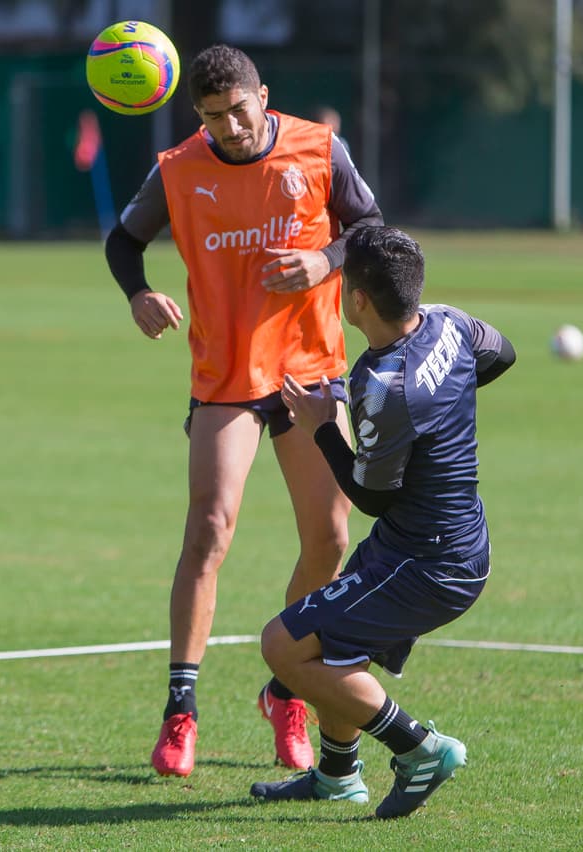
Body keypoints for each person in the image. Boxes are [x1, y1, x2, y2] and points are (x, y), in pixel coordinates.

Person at [103, 44, 383, 777]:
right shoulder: (177, 169)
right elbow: (123, 240)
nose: (227, 127)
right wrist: (137, 293)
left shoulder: (319, 148)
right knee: (209, 528)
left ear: (264, 94)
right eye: (210, 117)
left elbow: (372, 230)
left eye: (237, 109)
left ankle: (287, 686)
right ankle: (180, 710)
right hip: (226, 375)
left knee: (329, 536)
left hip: (312, 374)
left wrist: (325, 262)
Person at [249, 225, 516, 818]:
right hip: (437, 541)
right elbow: (501, 352)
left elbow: (370, 497)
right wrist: (445, 402)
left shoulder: (382, 385)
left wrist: (322, 424)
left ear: (358, 300)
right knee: (339, 646)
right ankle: (338, 774)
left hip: (427, 561)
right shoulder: (446, 322)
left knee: (284, 646)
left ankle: (420, 749)